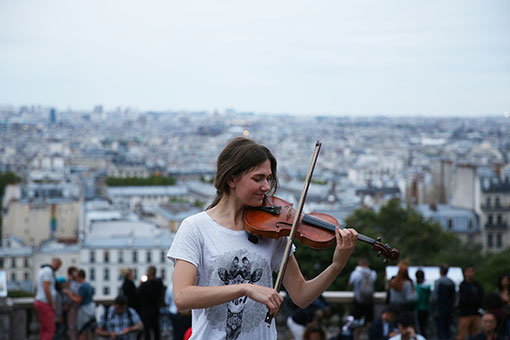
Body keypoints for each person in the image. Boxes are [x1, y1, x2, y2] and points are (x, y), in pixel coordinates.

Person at [167, 137, 358, 340]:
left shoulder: (271, 231)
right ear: (231, 179)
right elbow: (181, 297)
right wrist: (245, 288)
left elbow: (302, 295)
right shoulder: (195, 228)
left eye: (268, 178)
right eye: (258, 179)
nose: (267, 186)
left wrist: (337, 264)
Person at [349, 257, 377, 340]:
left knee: (357, 322)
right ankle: (371, 337)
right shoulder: (372, 273)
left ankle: (356, 338)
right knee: (369, 322)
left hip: (359, 299)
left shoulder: (355, 273)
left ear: (359, 264)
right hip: (369, 300)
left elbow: (351, 284)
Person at [34, 257, 62, 340]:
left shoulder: (42, 270)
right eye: (59, 266)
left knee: (44, 328)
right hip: (45, 303)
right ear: (56, 263)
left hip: (39, 301)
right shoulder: (48, 271)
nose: (58, 268)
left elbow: (37, 287)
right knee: (50, 329)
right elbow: (46, 288)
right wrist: (52, 304)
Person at [64, 269, 96, 340]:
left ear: (79, 277)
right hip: (91, 309)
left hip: (84, 310)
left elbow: (78, 300)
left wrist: (69, 294)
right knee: (88, 331)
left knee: (82, 331)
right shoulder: (88, 284)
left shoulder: (82, 286)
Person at [136, 265, 164, 340]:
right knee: (156, 328)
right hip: (155, 308)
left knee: (147, 330)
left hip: (146, 309)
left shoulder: (145, 284)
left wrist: (142, 283)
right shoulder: (159, 283)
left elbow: (138, 293)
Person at [458, 264, 484, 340]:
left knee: (475, 335)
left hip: (475, 313)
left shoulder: (477, 285)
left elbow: (481, 298)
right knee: (462, 335)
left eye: (472, 271)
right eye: (468, 271)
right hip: (465, 314)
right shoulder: (462, 285)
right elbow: (463, 299)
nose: (470, 273)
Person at [430, 263, 456, 340]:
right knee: (448, 331)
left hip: (439, 310)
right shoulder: (451, 282)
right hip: (449, 310)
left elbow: (434, 298)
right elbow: (454, 297)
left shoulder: (438, 282)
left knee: (440, 331)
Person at [414, 269, 431, 339]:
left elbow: (417, 299)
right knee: (425, 327)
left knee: (419, 328)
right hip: (426, 308)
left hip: (418, 309)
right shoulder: (428, 287)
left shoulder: (417, 287)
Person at [67, 266, 80, 340]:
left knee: (77, 325)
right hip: (72, 306)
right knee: (71, 326)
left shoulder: (78, 282)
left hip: (77, 305)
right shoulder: (70, 282)